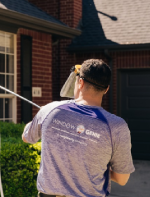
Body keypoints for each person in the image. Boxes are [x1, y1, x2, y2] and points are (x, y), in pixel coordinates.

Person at [22, 59, 135, 197]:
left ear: (80, 82)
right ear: (106, 89)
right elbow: (121, 178)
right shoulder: (117, 126)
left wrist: (35, 120)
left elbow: (27, 138)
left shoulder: (49, 110)